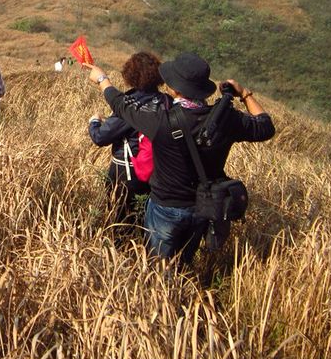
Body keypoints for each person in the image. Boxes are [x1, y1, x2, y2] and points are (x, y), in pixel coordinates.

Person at [85, 51, 274, 267]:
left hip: (164, 207)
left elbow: (121, 105)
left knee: (157, 268)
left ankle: (159, 295)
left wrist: (102, 80)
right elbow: (265, 127)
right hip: (203, 207)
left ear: (174, 89)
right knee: (183, 265)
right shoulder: (226, 119)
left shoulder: (160, 121)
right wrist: (245, 94)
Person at [88, 51, 170, 231]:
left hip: (127, 172)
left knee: (121, 222)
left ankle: (123, 254)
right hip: (161, 172)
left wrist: (94, 122)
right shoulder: (167, 102)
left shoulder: (130, 105)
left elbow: (100, 137)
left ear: (129, 76)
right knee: (148, 223)